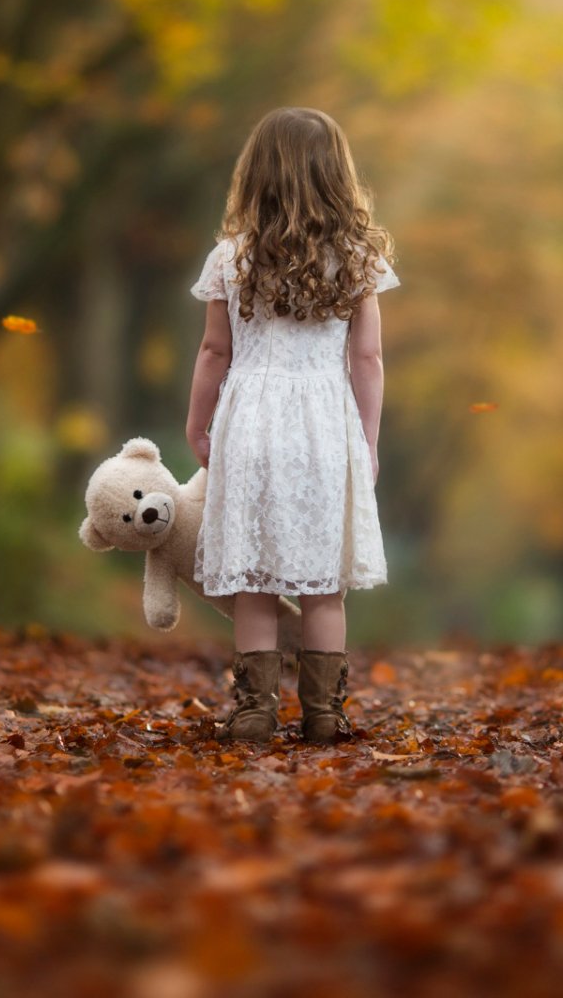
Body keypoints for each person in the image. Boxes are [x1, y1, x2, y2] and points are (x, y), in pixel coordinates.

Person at [184, 105, 398, 745]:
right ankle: (325, 713)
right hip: (326, 425)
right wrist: (368, 440)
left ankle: (253, 711)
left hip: (250, 421)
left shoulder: (231, 258)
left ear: (256, 176)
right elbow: (368, 359)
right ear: (336, 175)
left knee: (254, 578)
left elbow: (214, 353)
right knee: (322, 582)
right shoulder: (357, 260)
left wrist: (200, 426)